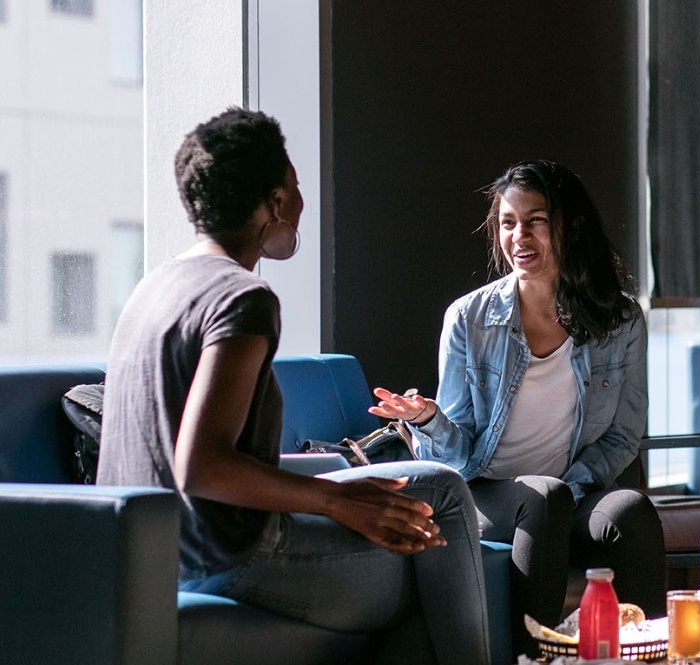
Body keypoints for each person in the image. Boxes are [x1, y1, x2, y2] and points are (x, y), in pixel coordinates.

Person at [98, 108, 490, 664]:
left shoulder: (152, 287)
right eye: (296, 185)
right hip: (225, 560)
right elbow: (200, 465)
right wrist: (336, 499)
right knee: (436, 545)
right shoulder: (242, 298)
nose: (300, 201)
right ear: (277, 201)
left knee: (430, 515)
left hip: (153, 557)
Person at [369, 160, 665, 656]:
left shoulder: (619, 319)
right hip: (489, 495)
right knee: (543, 497)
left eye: (536, 221)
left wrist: (576, 486)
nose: (518, 236)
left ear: (570, 225)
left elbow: (623, 435)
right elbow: (459, 459)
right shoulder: (469, 318)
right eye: (508, 223)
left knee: (629, 509)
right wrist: (426, 419)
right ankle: (532, 656)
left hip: (572, 491)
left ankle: (650, 655)